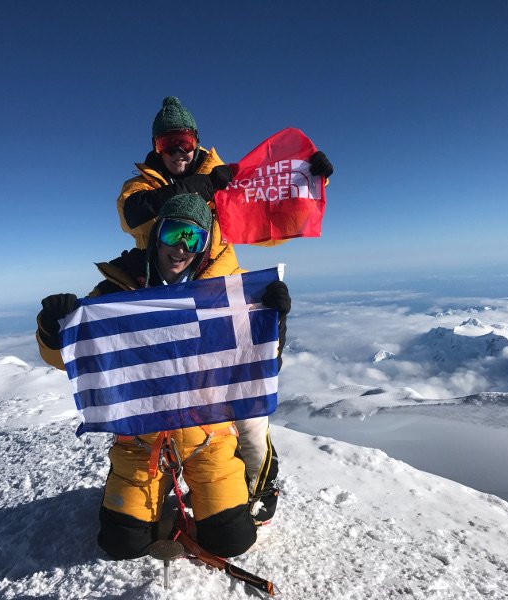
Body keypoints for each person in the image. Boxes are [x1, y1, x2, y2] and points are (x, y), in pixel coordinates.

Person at [36, 193, 291, 560]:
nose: (181, 248)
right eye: (174, 233)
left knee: (232, 541)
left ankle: (230, 493)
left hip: (208, 434)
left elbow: (255, 367)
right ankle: (150, 503)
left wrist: (273, 326)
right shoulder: (118, 293)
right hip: (142, 439)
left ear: (205, 246)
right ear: (157, 234)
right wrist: (52, 329)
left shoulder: (225, 295)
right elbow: (72, 358)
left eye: (194, 238)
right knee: (122, 544)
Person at [115, 96, 331, 525]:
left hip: (222, 294)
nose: (179, 150)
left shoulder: (227, 177)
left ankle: (260, 483)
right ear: (156, 147)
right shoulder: (144, 185)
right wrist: (207, 186)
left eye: (186, 140)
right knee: (173, 403)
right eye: (169, 142)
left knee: (246, 403)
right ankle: (174, 482)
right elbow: (135, 213)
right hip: (166, 298)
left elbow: (268, 211)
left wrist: (310, 177)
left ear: (197, 141)